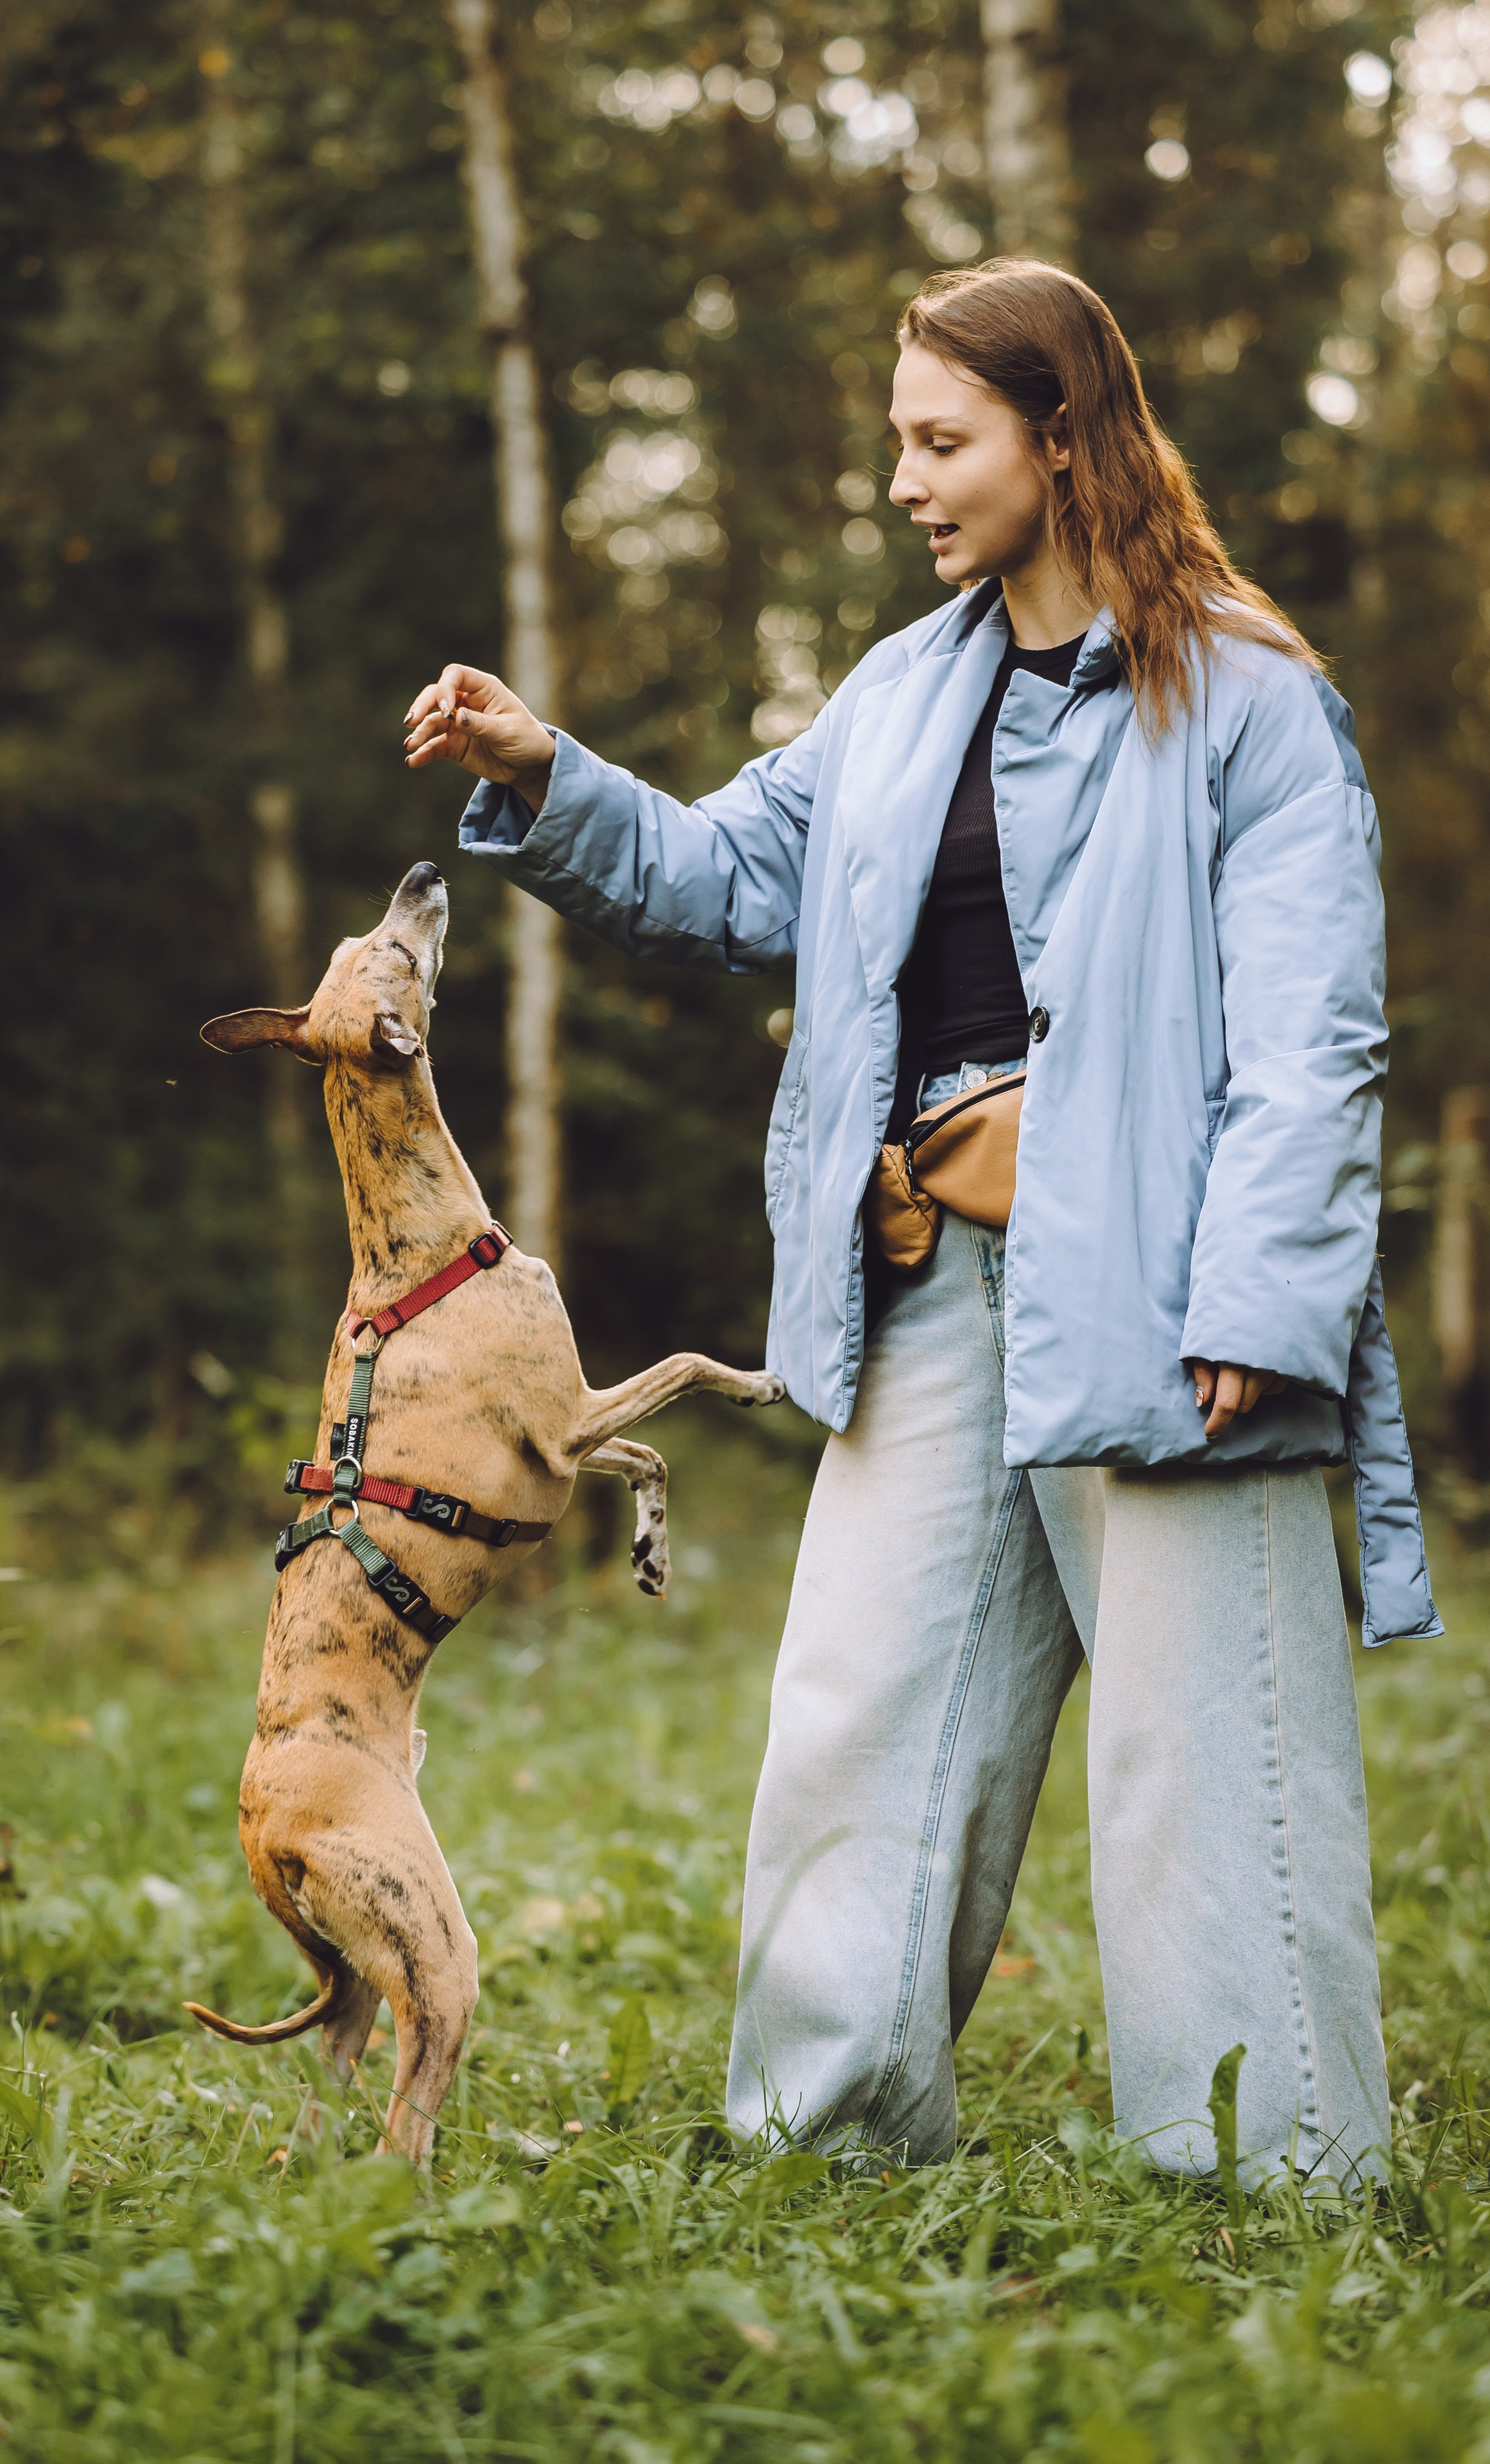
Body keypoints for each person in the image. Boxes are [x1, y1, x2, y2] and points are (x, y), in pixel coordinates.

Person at [404, 258, 1439, 2188]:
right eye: (899, 440)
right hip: (921, 1291)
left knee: (1199, 1756)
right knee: (861, 1716)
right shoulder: (900, 693)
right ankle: (827, 2138)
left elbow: (1319, 1040)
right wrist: (547, 777)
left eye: (942, 439)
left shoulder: (1250, 699)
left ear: (1066, 438)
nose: (905, 478)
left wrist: (1264, 1302)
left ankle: (1267, 2181)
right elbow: (727, 882)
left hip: (1165, 1290)